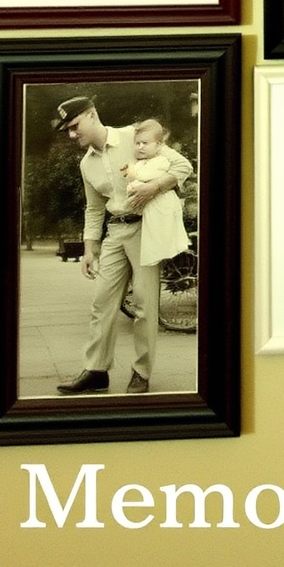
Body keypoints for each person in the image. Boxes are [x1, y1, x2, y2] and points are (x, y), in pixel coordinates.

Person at [52, 95, 192, 395]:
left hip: (145, 229)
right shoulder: (87, 164)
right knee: (101, 304)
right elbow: (94, 209)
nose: (72, 134)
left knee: (144, 306)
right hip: (115, 232)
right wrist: (90, 248)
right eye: (68, 130)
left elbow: (182, 167)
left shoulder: (135, 137)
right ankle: (96, 371)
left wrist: (155, 186)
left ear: (92, 115)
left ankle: (141, 372)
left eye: (75, 126)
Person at [121, 118, 190, 268]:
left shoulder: (160, 160)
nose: (140, 147)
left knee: (161, 234)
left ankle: (170, 257)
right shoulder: (142, 161)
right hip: (152, 206)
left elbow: (144, 176)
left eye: (144, 143)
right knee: (154, 234)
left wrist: (132, 174)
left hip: (163, 202)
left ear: (158, 145)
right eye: (137, 144)